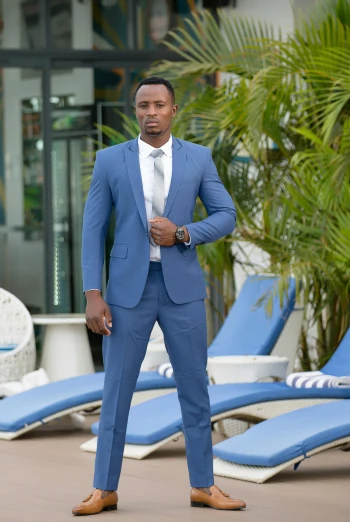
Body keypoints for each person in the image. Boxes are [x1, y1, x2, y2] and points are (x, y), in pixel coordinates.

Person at [73, 76, 245, 515]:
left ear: (173, 110)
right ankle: (104, 489)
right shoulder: (111, 160)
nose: (151, 112)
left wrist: (184, 232)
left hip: (182, 289)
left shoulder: (198, 158)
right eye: (143, 105)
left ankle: (204, 486)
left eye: (159, 104)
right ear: (136, 112)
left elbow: (226, 215)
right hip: (127, 293)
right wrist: (93, 292)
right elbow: (92, 231)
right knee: (116, 390)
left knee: (194, 389)